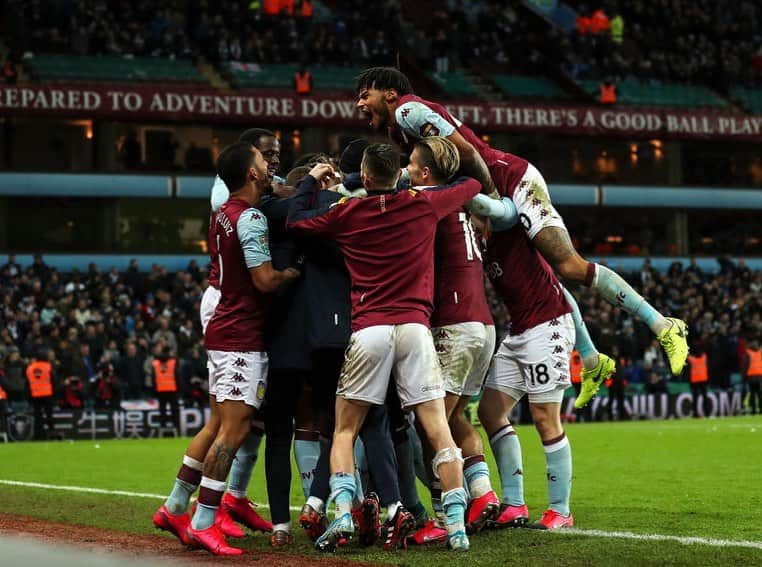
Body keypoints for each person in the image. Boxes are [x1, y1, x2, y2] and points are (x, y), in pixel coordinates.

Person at [355, 66, 688, 401]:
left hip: (510, 180)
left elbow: (468, 152)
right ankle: (591, 359)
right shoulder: (399, 131)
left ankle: (662, 325)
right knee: (541, 274)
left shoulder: (407, 111)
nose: (359, 103)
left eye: (365, 95)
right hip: (486, 196)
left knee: (568, 265)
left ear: (390, 94)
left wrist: (492, 199)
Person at [287, 144, 481, 552]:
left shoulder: (347, 212)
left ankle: (341, 514)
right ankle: (457, 525)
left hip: (370, 329)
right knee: (437, 427)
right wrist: (421, 179)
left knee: (345, 429)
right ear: (401, 174)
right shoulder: (422, 204)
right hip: (415, 328)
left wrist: (312, 181)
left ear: (366, 175)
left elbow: (297, 221)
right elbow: (471, 184)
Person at [153, 142, 299, 556]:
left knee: (217, 425)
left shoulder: (223, 214)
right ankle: (203, 521)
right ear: (252, 174)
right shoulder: (251, 218)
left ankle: (176, 506)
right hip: (241, 336)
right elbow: (265, 281)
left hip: (224, 329)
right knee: (233, 431)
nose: (268, 166)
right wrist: (293, 271)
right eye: (262, 162)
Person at [404, 137, 500, 544]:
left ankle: (445, 518)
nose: (406, 170)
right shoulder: (460, 207)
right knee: (457, 419)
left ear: (427, 174)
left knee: (431, 429)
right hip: (485, 326)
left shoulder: (428, 205)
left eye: (410, 164)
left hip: (455, 326)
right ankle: (483, 492)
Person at [26, 350, 56, 440]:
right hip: (47, 393)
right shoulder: (48, 366)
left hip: (35, 394)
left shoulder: (30, 368)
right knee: (49, 415)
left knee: (38, 416)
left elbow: (27, 381)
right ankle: (51, 433)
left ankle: (38, 435)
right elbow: (53, 380)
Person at [152, 347, 180, 429]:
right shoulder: (173, 362)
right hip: (172, 389)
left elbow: (153, 378)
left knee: (162, 411)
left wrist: (154, 390)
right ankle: (176, 427)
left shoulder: (155, 363)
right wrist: (180, 389)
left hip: (160, 390)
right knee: (174, 410)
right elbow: (177, 376)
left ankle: (162, 427)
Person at [687, 346, 709, 418]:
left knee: (695, 398)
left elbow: (687, 356)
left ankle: (695, 413)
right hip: (703, 380)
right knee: (704, 397)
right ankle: (707, 412)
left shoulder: (692, 359)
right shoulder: (704, 357)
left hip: (695, 381)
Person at [742, 338, 762, 415]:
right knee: (758, 393)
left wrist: (744, 377)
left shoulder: (748, 353)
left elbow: (745, 366)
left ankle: (754, 410)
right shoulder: (759, 353)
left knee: (753, 394)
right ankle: (759, 409)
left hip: (752, 377)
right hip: (758, 377)